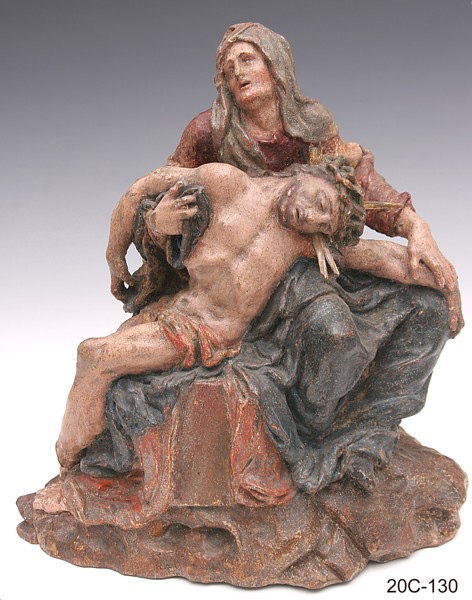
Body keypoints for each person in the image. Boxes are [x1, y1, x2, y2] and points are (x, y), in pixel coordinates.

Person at [106, 22, 461, 331]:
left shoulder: (311, 124)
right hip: (226, 272)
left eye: (248, 60)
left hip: (303, 258)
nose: (238, 73)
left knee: (416, 307)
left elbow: (353, 185)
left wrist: (415, 227)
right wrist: (153, 225)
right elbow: (159, 192)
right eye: (229, 70)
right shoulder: (208, 132)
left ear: (274, 64)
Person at [56, 157, 366, 470]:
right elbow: (143, 188)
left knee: (94, 356)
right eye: (320, 203)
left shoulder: (304, 244)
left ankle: (68, 459)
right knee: (103, 373)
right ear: (307, 172)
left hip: (203, 334)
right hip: (172, 308)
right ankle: (82, 464)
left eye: (323, 226)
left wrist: (405, 233)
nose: (312, 218)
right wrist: (122, 249)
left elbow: (384, 258)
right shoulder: (225, 182)